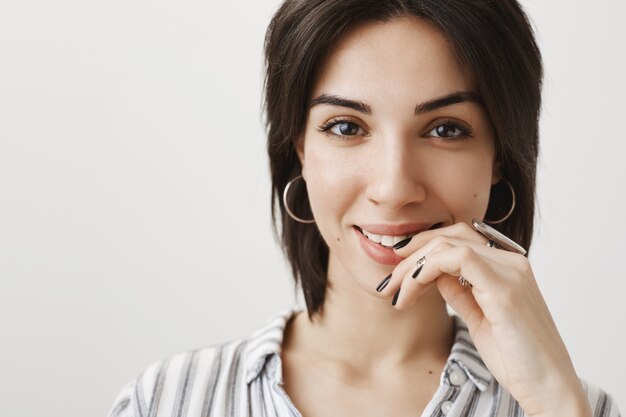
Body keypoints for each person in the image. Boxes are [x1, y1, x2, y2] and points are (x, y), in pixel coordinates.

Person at [107, 1, 621, 416]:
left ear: (499, 159)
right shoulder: (167, 401)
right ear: (300, 150)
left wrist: (556, 406)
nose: (394, 187)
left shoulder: (571, 407)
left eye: (445, 129)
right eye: (347, 127)